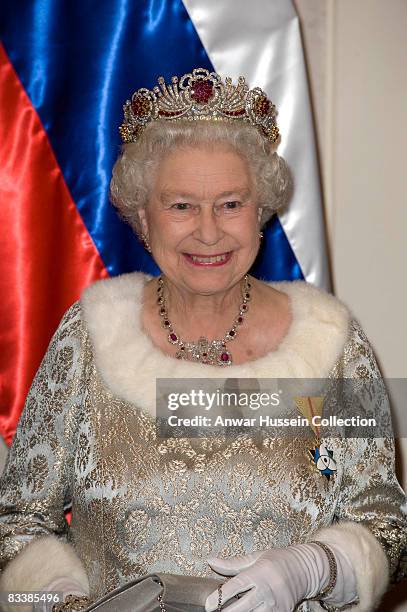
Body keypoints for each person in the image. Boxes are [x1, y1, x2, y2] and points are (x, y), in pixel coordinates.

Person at [0, 68, 405, 612]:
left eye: (231, 204)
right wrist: (59, 602)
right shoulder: (90, 338)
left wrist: (312, 569)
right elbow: (17, 523)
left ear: (260, 211)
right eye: (181, 205)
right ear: (144, 216)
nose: (209, 231)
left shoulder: (330, 346)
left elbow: (384, 522)